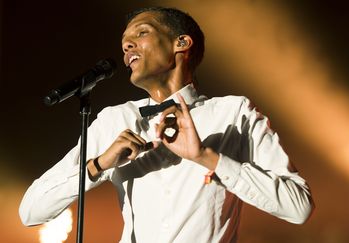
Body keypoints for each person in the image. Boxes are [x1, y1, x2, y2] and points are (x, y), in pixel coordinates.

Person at [19, 7, 314, 242]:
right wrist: (100, 164)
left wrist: (207, 158)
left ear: (181, 43)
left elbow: (298, 207)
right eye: (124, 43)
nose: (126, 45)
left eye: (141, 33)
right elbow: (31, 211)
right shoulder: (115, 120)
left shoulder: (234, 113)